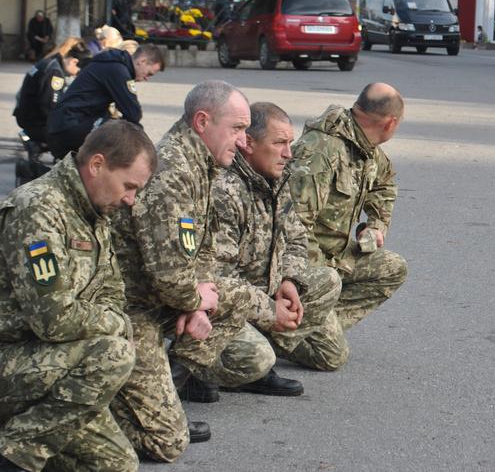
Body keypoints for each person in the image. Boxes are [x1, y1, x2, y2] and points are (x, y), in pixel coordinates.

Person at [109, 81, 276, 463]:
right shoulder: (172, 170)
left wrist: (200, 295)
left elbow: (201, 247)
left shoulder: (202, 164)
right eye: (236, 129)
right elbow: (167, 274)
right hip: (133, 306)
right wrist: (194, 302)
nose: (244, 141)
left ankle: (168, 382)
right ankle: (121, 403)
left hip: (163, 296)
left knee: (233, 299)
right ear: (202, 121)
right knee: (166, 443)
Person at [0, 121, 157, 472]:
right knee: (112, 355)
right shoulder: (37, 210)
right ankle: (15, 453)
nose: (130, 199)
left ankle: (24, 433)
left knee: (117, 465)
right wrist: (116, 328)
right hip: (12, 355)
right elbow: (53, 319)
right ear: (97, 165)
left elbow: (110, 289)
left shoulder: (94, 209)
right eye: (129, 186)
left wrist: (110, 323)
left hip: (50, 359)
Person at [213, 102, 346, 379]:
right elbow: (220, 280)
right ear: (248, 143)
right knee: (257, 359)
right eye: (279, 143)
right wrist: (270, 311)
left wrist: (290, 280)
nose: (288, 153)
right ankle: (209, 368)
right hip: (232, 303)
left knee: (330, 351)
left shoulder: (277, 179)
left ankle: (266, 345)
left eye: (290, 143)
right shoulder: (224, 190)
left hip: (269, 291)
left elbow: (297, 237)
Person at [290, 83, 408, 359]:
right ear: (391, 123)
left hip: (336, 259)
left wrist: (376, 224)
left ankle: (311, 325)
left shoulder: (365, 147)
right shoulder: (322, 152)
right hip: (305, 267)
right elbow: (293, 228)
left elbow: (384, 183)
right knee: (332, 357)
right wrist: (321, 283)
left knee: (393, 268)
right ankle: (280, 331)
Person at [46, 43, 166, 159]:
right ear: (142, 61)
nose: (146, 79)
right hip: (68, 125)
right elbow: (133, 113)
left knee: (120, 127)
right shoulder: (118, 70)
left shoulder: (112, 64)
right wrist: (146, 147)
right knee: (120, 133)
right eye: (149, 74)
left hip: (63, 123)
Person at [13, 38, 90, 147]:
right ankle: (62, 161)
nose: (75, 75)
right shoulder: (55, 72)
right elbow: (49, 106)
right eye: (78, 72)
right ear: (74, 61)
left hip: (28, 116)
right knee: (76, 137)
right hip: (35, 122)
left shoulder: (51, 62)